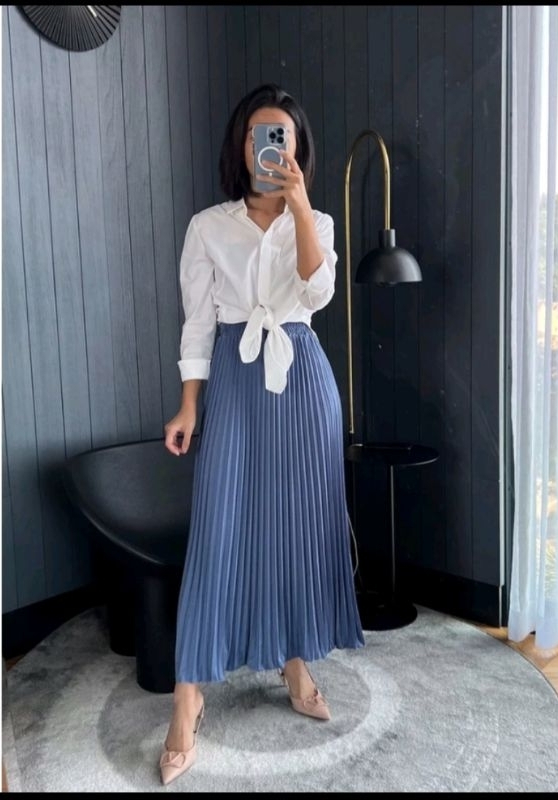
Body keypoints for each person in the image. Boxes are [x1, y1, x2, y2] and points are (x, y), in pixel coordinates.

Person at [159, 83, 365, 786]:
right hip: (237, 378)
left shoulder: (319, 220)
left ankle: (294, 661)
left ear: (298, 147)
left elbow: (317, 292)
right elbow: (197, 324)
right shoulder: (207, 227)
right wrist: (189, 407)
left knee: (297, 530)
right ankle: (188, 699)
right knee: (217, 535)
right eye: (257, 135)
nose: (268, 147)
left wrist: (300, 206)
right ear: (241, 146)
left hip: (302, 379)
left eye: (281, 136)